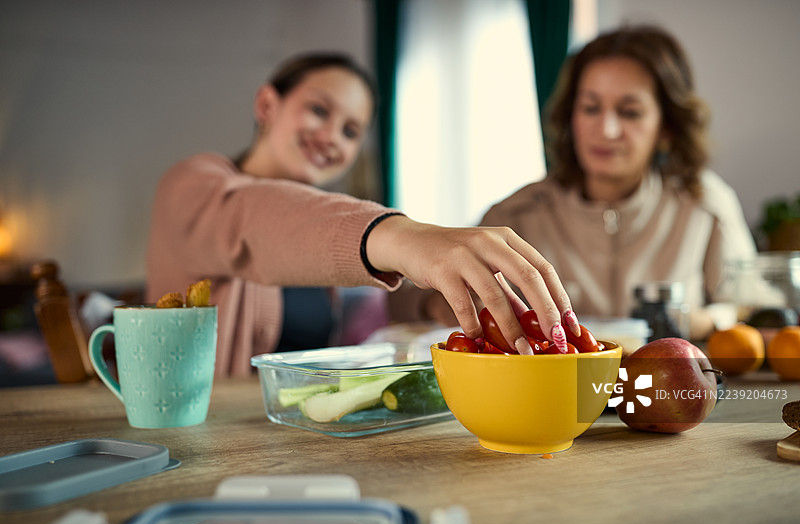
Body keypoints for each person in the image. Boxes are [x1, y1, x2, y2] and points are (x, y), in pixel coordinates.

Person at [146, 52, 579, 376]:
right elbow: (251, 220)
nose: (331, 136)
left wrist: (440, 304)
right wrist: (404, 237)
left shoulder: (318, 223)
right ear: (266, 105)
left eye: (351, 130)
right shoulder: (193, 184)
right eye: (319, 110)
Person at [389, 25, 756, 341]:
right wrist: (441, 303)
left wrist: (704, 320)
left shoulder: (705, 205)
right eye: (591, 108)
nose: (607, 130)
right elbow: (401, 298)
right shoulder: (516, 214)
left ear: (667, 127)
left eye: (629, 112)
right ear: (570, 117)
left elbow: (751, 307)